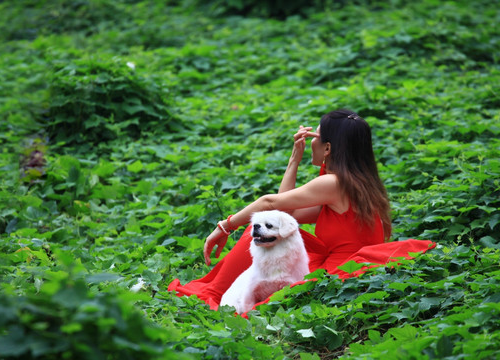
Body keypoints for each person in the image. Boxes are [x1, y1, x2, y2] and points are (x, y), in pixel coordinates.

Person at [168, 109, 435, 311]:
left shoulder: (333, 183)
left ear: (328, 148)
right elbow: (286, 218)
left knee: (256, 229)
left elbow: (271, 205)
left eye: (315, 136)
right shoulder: (358, 184)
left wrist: (225, 226)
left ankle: (215, 292)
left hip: (338, 271)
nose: (311, 142)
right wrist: (294, 160)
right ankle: (220, 290)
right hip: (339, 263)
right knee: (268, 231)